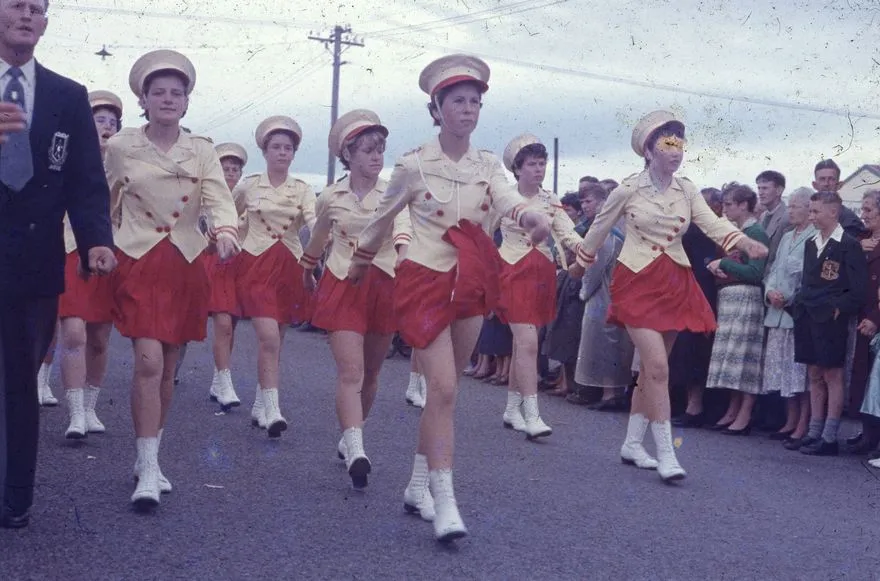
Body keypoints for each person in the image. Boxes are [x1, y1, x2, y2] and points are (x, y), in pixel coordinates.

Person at [348, 54, 550, 542]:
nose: (468, 109)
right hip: (423, 278)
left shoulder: (487, 166)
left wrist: (528, 217)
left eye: (475, 102)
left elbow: (506, 200)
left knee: (447, 392)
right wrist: (361, 258)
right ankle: (444, 498)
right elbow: (383, 214)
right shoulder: (414, 163)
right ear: (437, 109)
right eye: (457, 101)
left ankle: (418, 485)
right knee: (439, 387)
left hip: (472, 281)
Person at [569, 110, 767, 482]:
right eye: (667, 143)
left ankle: (632, 442)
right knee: (658, 368)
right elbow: (599, 227)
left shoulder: (687, 189)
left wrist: (741, 240)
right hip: (637, 279)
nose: (675, 151)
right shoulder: (627, 189)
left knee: (651, 371)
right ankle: (666, 452)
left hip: (675, 279)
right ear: (648, 149)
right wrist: (581, 263)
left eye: (679, 143)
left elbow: (712, 222)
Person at [105, 49, 240, 509]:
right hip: (138, 258)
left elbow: (219, 198)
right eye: (157, 92)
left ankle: (151, 456)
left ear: (186, 101)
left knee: (168, 363)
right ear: (143, 99)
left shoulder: (200, 149)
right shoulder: (122, 145)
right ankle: (146, 467)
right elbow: (103, 198)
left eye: (175, 93)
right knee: (147, 361)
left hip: (185, 260)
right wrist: (97, 244)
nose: (167, 99)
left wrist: (224, 231)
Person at [0, 0, 117, 529]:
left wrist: (95, 239)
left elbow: (86, 180)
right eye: (16, 5)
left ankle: (15, 497)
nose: (27, 15)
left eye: (38, 8)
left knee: (20, 378)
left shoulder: (68, 96)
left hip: (34, 263)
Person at [301, 109, 408, 488]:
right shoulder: (331, 196)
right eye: (367, 150)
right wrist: (307, 268)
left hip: (385, 283)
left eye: (380, 150)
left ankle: (349, 436)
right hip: (343, 281)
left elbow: (404, 232)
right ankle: (358, 448)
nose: (376, 157)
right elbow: (318, 238)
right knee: (352, 372)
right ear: (348, 155)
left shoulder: (396, 192)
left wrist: (406, 252)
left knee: (373, 373)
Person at [495, 134, 582, 437]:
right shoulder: (503, 197)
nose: (539, 169)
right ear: (518, 169)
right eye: (532, 164)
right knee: (529, 343)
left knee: (524, 345)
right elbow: (480, 230)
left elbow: (568, 232)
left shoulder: (550, 200)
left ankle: (511, 409)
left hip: (542, 272)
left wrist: (584, 249)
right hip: (511, 269)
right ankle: (532, 415)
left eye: (542, 164)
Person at [234, 115, 315, 437]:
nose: (282, 152)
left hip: (289, 264)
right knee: (268, 337)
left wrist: (322, 237)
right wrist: (231, 238)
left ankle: (258, 402)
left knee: (276, 340)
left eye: (288, 148)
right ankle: (272, 409)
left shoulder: (303, 189)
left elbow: (313, 219)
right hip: (255, 263)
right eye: (276, 147)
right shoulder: (249, 185)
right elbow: (229, 212)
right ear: (265, 151)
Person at [58, 90, 123, 439]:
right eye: (100, 120)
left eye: (113, 122)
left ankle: (91, 407)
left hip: (110, 253)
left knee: (99, 337)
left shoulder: (123, 162)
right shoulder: (68, 155)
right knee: (73, 331)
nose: (107, 128)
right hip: (70, 247)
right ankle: (75, 414)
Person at [789, 191, 867, 455]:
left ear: (833, 212)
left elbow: (858, 289)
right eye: (810, 211)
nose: (811, 216)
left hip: (830, 318)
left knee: (832, 374)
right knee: (814, 373)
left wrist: (838, 308)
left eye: (815, 211)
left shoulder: (849, 244)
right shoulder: (811, 242)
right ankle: (814, 432)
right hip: (809, 315)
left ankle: (830, 436)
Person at [703, 184, 770, 434]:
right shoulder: (735, 232)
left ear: (744, 205)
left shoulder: (756, 233)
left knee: (744, 359)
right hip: (731, 298)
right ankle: (733, 408)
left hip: (746, 299)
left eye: (730, 203)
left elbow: (755, 272)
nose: (726, 208)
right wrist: (719, 267)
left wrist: (726, 265)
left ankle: (745, 412)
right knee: (732, 358)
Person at [760, 188, 815, 445]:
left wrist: (788, 298)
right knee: (783, 372)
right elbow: (773, 270)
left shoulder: (814, 237)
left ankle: (803, 423)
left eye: (795, 206)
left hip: (795, 315)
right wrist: (770, 291)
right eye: (789, 206)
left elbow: (807, 276)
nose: (790, 210)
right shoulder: (785, 237)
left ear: (808, 209)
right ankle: (790, 420)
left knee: (799, 374)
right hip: (776, 314)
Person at [669, 187, 723, 427]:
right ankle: (685, 403)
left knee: (699, 352)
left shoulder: (715, 231)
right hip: (686, 296)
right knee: (684, 352)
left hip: (706, 296)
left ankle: (696, 406)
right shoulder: (691, 228)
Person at [204, 142, 248, 410]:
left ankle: (218, 378)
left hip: (239, 265)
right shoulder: (206, 197)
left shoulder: (248, 197)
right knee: (221, 322)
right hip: (213, 261)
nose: (230, 173)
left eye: (235, 169)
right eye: (225, 168)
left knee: (230, 324)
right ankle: (225, 382)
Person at [844, 190, 880, 454]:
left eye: (868, 210)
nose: (863, 215)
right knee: (863, 377)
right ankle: (867, 432)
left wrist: (876, 319)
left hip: (874, 318)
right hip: (860, 315)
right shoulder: (862, 240)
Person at [813, 159, 867, 238]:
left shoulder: (850, 222)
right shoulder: (807, 216)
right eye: (822, 179)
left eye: (831, 179)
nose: (826, 184)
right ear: (815, 185)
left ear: (839, 185)